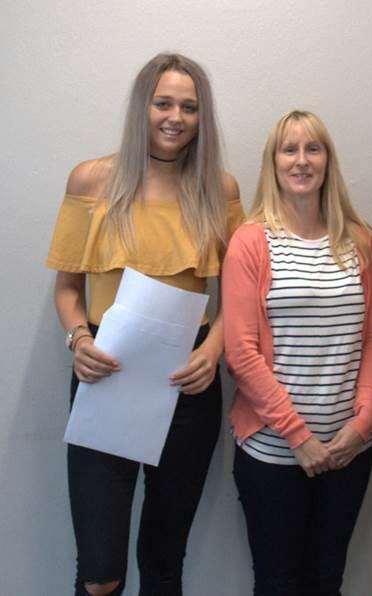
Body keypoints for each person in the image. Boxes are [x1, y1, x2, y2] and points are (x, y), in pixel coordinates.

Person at [46, 53, 244, 596]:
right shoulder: (92, 179)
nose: (175, 116)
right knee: (99, 571)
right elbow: (68, 288)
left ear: (202, 117)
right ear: (143, 107)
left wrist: (214, 351)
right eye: (163, 103)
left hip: (189, 379)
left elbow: (239, 297)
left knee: (162, 561)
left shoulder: (219, 190)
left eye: (189, 106)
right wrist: (77, 339)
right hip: (103, 371)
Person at [222, 110, 372, 596]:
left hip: (348, 452)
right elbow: (241, 353)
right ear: (272, 163)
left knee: (326, 581)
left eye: (313, 149)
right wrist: (299, 438)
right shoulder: (251, 242)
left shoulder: (359, 240)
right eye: (288, 150)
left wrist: (363, 423)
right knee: (278, 583)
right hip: (274, 453)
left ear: (328, 161)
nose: (301, 160)